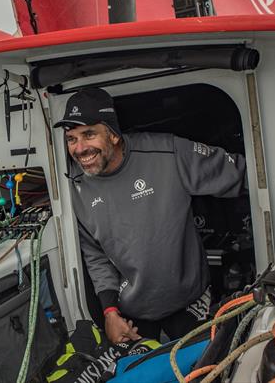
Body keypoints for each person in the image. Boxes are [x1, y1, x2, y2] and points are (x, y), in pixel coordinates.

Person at [53, 88, 246, 344]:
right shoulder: (74, 188)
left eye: (89, 134)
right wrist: (110, 312)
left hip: (192, 301)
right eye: (71, 139)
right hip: (133, 316)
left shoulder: (168, 152)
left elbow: (244, 174)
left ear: (112, 135)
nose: (80, 149)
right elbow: (96, 256)